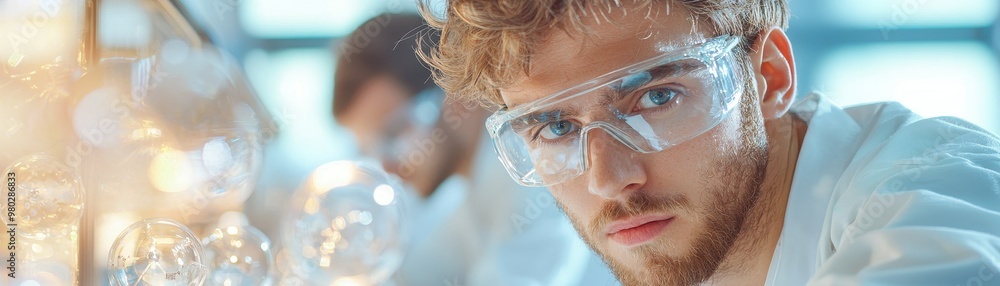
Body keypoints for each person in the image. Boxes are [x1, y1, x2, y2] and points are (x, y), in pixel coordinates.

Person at [417, 1, 1000, 285]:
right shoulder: (703, 253)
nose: (607, 179)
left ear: (768, 76)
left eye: (656, 99)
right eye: (557, 128)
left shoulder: (934, 184)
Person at [332, 13, 610, 285]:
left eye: (394, 134)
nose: (387, 166)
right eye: (370, 149)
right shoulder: (470, 185)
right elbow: (421, 272)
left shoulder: (529, 179)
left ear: (456, 97)